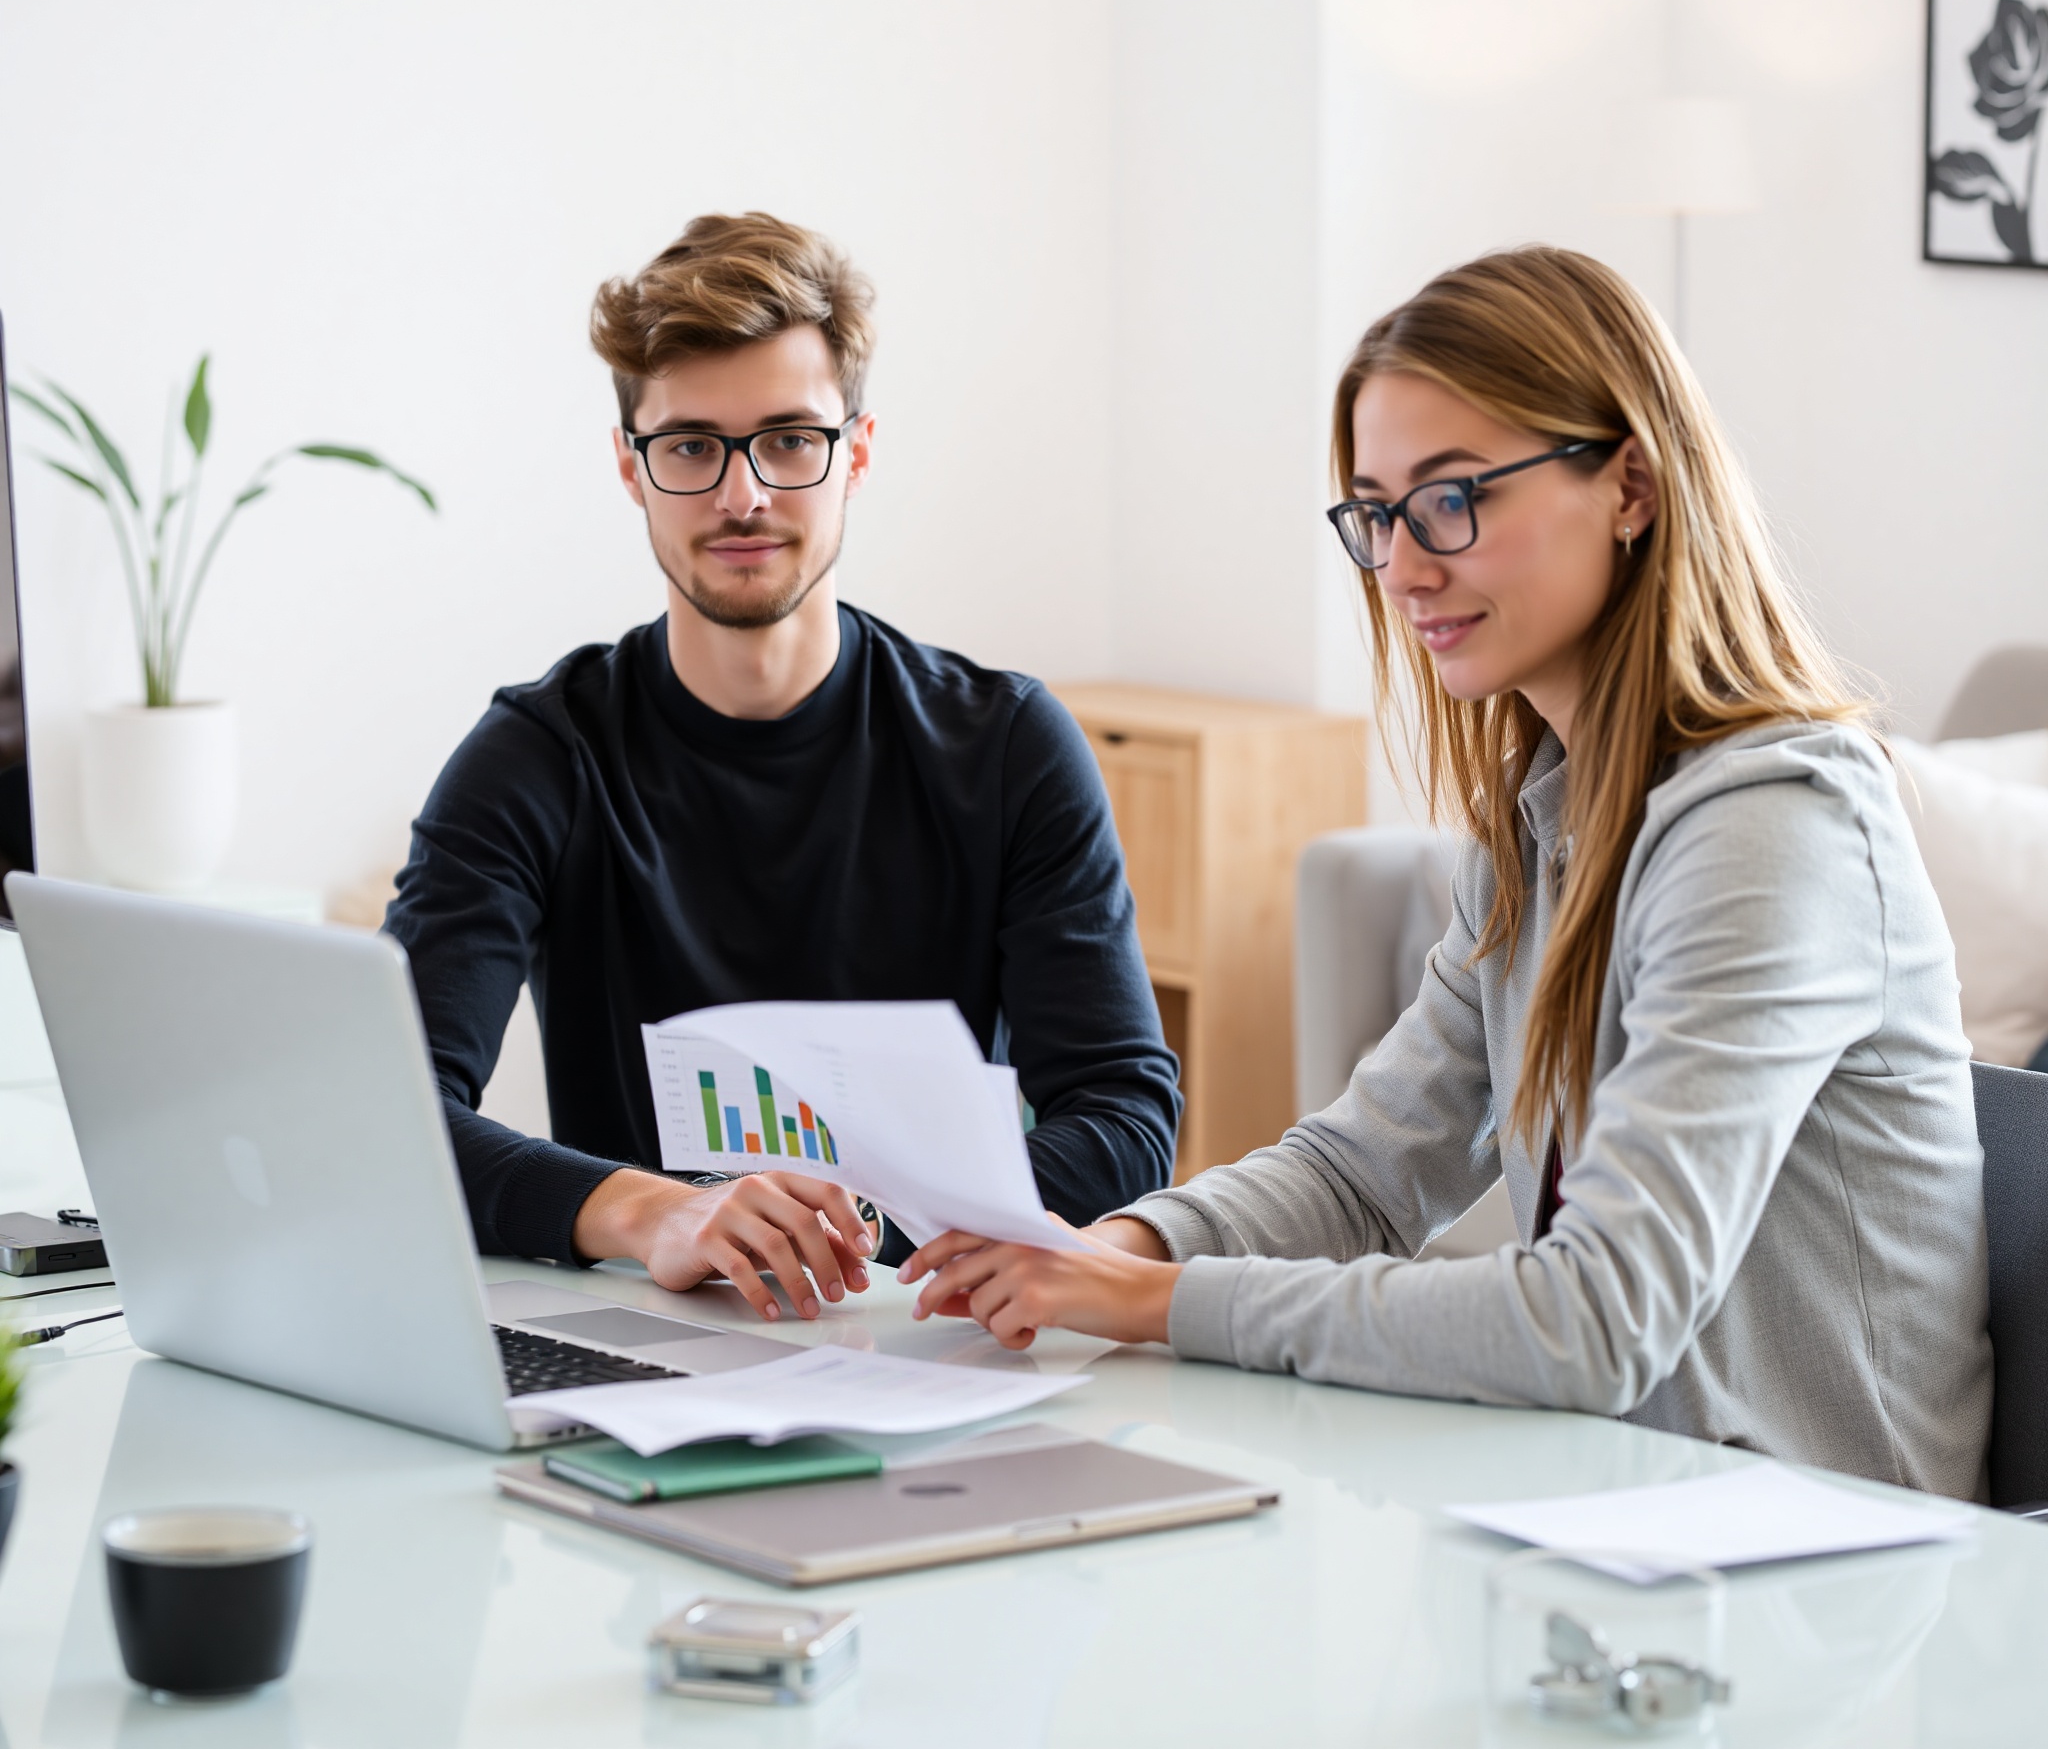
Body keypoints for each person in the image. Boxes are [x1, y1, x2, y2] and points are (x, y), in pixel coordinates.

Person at [900, 245, 1992, 1499]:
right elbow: (1366, 1169)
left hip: (1837, 1593)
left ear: (1628, 482)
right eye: (1375, 512)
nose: (1405, 566)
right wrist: (1111, 1245)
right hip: (1628, 1540)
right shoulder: (1542, 818)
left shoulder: (1772, 829)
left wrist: (1160, 1299)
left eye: (1452, 497)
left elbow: (1594, 1316)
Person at [386, 212, 1179, 1320]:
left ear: (853, 451)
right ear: (630, 466)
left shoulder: (1004, 745)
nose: (743, 493)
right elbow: (390, 1108)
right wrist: (658, 1211)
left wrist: (847, 1231)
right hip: (645, 1332)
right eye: (691, 444)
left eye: (789, 439)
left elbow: (1123, 1111)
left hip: (931, 1321)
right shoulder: (537, 756)